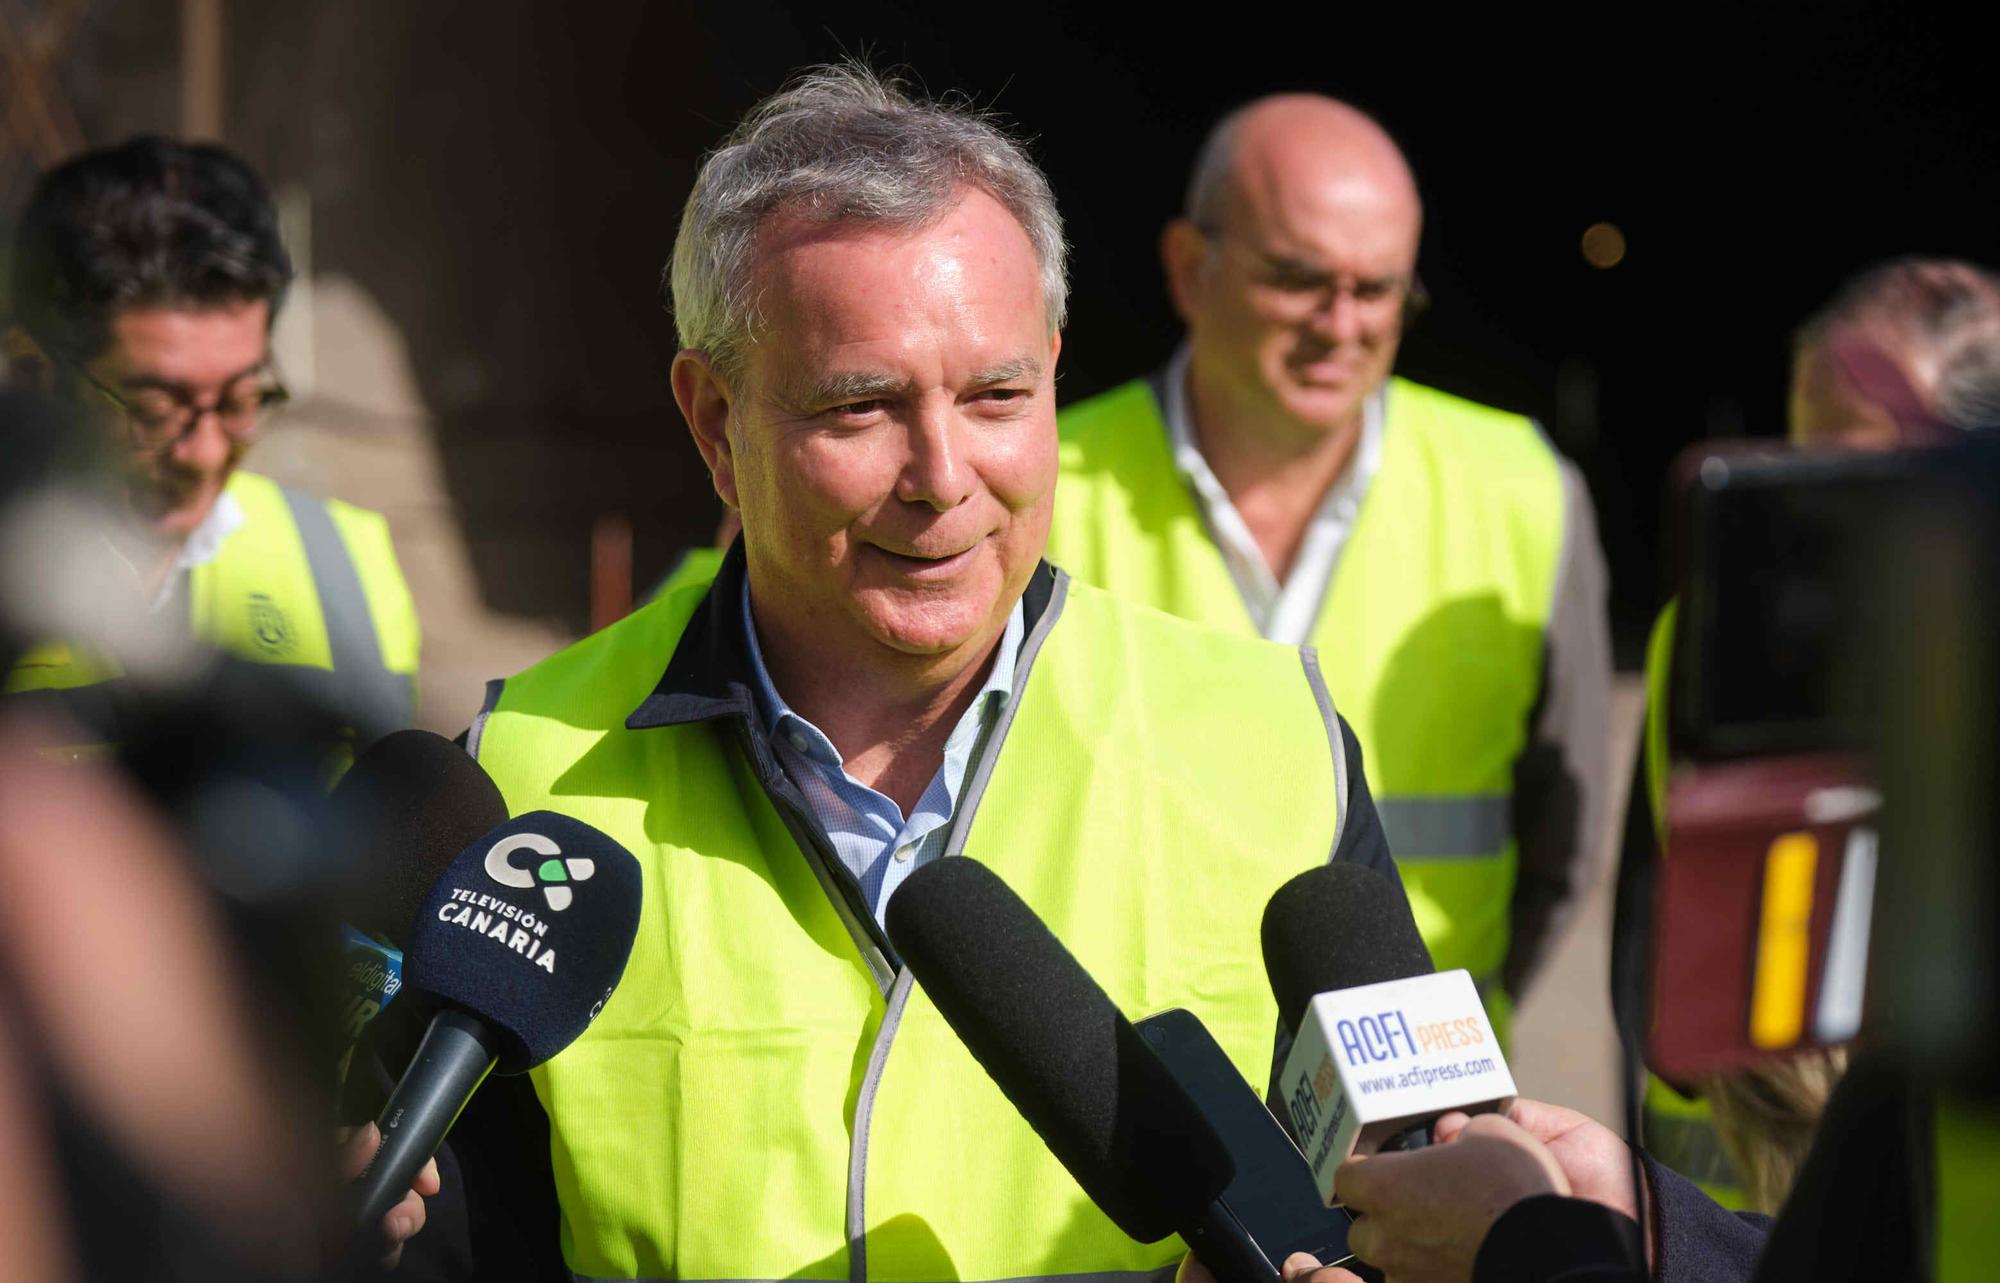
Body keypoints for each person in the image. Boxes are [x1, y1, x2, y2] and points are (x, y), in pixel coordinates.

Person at [433, 64, 1404, 1281]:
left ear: (1053, 369)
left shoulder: (1276, 743)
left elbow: (1407, 1215)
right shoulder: (527, 773)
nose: (942, 476)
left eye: (998, 394)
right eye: (859, 408)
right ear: (714, 424)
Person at [1046, 95, 1613, 1033]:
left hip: (1428, 1120)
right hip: (1132, 1112)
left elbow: (1569, 850)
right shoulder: (1040, 494)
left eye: (1379, 288)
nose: (1341, 324)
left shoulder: (1523, 492)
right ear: (1191, 269)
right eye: (1299, 278)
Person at [1634, 256, 2000, 1205]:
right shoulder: (1711, 635)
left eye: (1869, 489)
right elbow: (1651, 938)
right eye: (1803, 477)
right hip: (1734, 1218)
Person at [2, 136, 420, 751]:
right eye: (153, 410)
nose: (201, 453)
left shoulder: (344, 565)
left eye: (240, 400)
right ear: (35, 373)